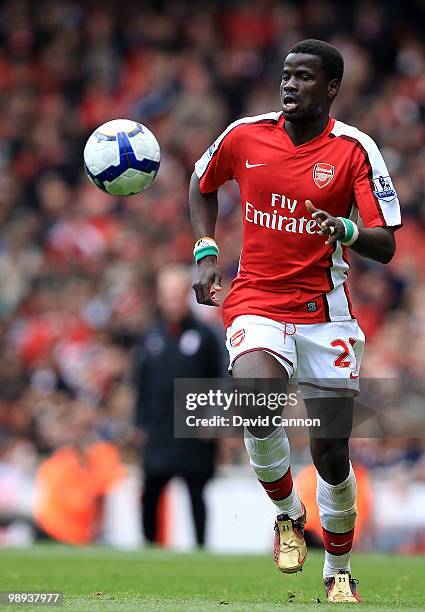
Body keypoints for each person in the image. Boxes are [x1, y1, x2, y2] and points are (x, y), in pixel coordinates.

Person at [189, 39, 401, 603]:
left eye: (304, 78)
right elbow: (202, 182)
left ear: (331, 87)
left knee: (331, 453)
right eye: (286, 75)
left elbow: (386, 244)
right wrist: (207, 250)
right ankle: (287, 513)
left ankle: (337, 569)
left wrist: (347, 230)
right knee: (255, 399)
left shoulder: (356, 151)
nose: (289, 86)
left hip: (325, 316)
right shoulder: (245, 135)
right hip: (257, 299)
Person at [133, 264, 222, 547]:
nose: (171, 300)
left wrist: (213, 418)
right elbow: (141, 386)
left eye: (176, 293)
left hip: (194, 431)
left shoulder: (205, 337)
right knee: (150, 492)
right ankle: (148, 545)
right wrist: (139, 424)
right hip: (159, 431)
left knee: (196, 493)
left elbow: (219, 380)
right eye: (166, 294)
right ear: (159, 297)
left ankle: (200, 547)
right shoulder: (150, 338)